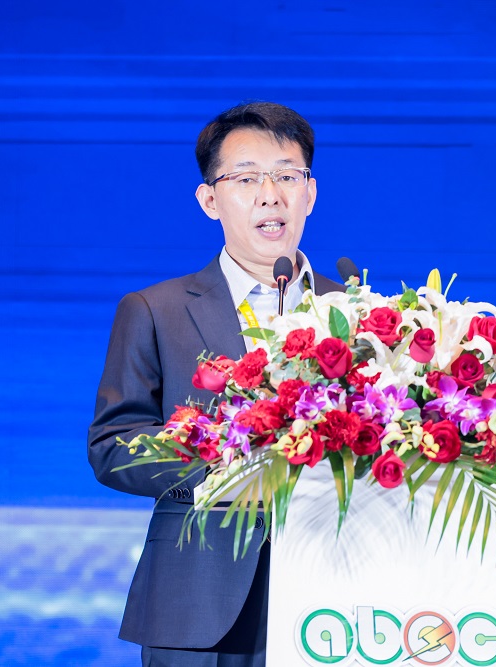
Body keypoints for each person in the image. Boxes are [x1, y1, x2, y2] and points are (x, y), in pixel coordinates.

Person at [87, 101, 344, 667]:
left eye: (286, 175)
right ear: (209, 200)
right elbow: (113, 446)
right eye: (246, 178)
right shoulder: (156, 310)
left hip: (337, 598)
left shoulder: (358, 310)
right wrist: (228, 474)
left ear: (310, 193)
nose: (270, 195)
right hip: (200, 599)